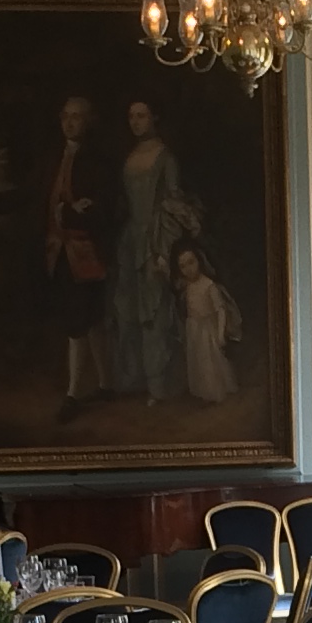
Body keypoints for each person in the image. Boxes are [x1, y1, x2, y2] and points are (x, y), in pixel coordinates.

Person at [113, 96, 198, 402]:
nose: (136, 122)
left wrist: (165, 250)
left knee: (155, 310)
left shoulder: (165, 157)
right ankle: (134, 379)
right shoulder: (131, 155)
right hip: (131, 240)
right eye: (132, 116)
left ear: (154, 118)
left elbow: (173, 203)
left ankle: (159, 384)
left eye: (142, 116)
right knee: (128, 309)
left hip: (157, 238)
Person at [42, 94, 113, 421]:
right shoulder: (52, 158)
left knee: (84, 320)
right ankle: (105, 384)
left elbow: (104, 210)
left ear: (88, 121)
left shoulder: (98, 162)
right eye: (65, 116)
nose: (70, 123)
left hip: (88, 252)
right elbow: (35, 196)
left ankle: (73, 394)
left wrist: (69, 213)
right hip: (58, 251)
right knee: (87, 318)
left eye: (77, 117)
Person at [174, 240, 243, 405]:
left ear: (199, 260)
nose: (188, 269)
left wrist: (220, 333)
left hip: (208, 330)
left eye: (191, 262)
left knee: (210, 363)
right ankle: (201, 392)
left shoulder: (209, 285)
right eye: (183, 266)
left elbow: (221, 310)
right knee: (197, 362)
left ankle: (213, 393)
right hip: (193, 329)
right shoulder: (186, 286)